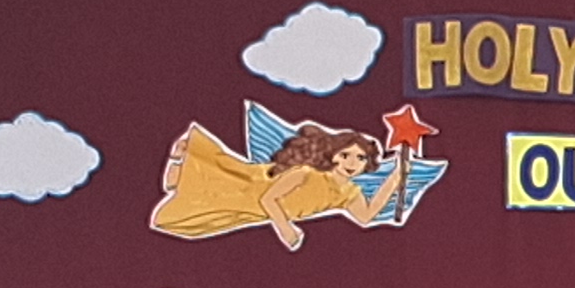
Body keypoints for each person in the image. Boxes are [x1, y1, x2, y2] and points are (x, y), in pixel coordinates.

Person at [149, 117, 413, 250]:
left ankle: (181, 175)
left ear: (367, 164)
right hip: (254, 192)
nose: (352, 163)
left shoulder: (348, 193)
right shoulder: (307, 173)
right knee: (221, 182)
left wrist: (396, 178)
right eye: (346, 155)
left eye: (360, 158)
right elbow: (268, 198)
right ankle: (183, 163)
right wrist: (285, 229)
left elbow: (366, 217)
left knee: (212, 206)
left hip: (256, 212)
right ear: (334, 155)